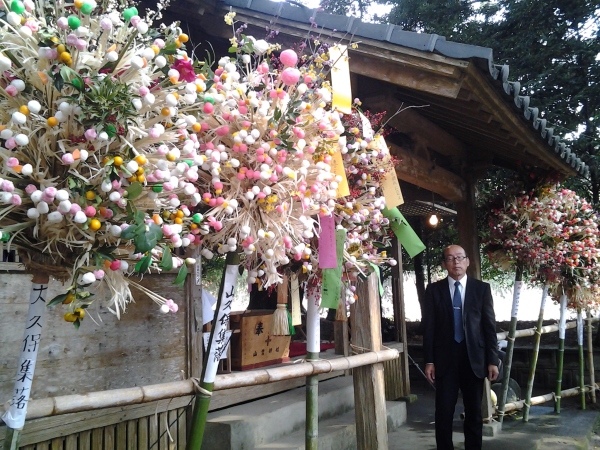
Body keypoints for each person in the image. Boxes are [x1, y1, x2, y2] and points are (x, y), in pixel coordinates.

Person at [423, 244, 499, 450]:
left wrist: (493, 360)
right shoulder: (433, 290)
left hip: (473, 359)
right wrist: (429, 360)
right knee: (444, 412)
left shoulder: (481, 289)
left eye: (459, 258)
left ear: (467, 261)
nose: (456, 262)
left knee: (474, 412)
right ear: (444, 264)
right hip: (444, 361)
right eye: (450, 258)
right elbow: (428, 327)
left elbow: (489, 327)